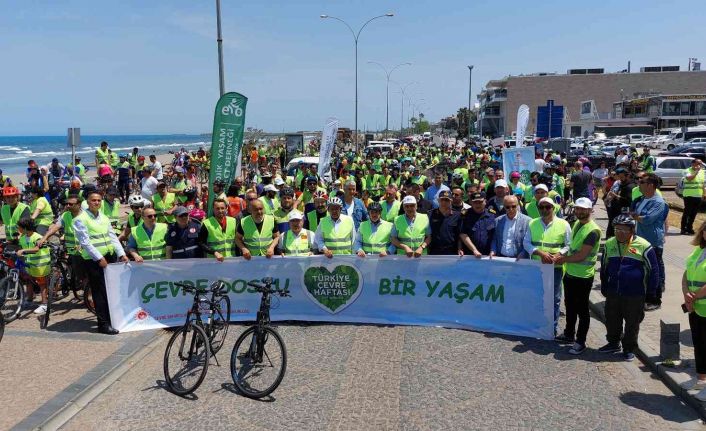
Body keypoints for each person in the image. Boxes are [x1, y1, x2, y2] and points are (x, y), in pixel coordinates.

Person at [599, 214, 658, 361]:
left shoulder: (644, 245)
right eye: (617, 229)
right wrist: (604, 284)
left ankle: (629, 348)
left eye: (624, 230)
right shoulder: (609, 243)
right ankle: (613, 343)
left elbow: (654, 271)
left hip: (635, 293)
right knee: (612, 319)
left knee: (632, 323)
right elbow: (604, 266)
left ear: (632, 230)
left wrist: (651, 293)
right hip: (614, 291)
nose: (620, 233)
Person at [73, 191, 129, 334]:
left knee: (111, 290)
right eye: (93, 200)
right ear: (88, 202)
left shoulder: (103, 217)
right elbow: (85, 242)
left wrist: (121, 253)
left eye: (99, 200)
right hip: (94, 261)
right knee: (99, 292)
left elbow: (112, 237)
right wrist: (99, 258)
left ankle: (113, 319)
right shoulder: (81, 219)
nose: (96, 202)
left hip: (109, 257)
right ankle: (103, 324)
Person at [553, 198, 602, 354]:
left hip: (583, 277)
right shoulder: (577, 224)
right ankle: (569, 334)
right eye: (577, 209)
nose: (579, 211)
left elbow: (582, 255)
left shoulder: (593, 230)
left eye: (583, 209)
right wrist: (560, 254)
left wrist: (563, 259)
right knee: (570, 306)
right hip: (571, 273)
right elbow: (572, 247)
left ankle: (581, 341)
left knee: (582, 310)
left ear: (590, 210)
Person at [524, 196, 571, 336]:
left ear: (553, 208)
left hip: (554, 268)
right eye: (541, 207)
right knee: (537, 296)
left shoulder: (564, 224)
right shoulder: (532, 223)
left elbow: (569, 244)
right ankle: (537, 325)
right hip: (537, 266)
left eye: (547, 207)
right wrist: (539, 252)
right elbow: (526, 243)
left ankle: (552, 328)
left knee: (554, 299)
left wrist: (559, 254)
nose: (544, 209)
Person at [629, 172, 669, 311]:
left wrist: (635, 216)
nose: (638, 183)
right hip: (640, 240)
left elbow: (648, 219)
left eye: (642, 182)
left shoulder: (658, 202)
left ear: (650, 185)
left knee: (654, 271)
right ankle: (644, 296)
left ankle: (655, 299)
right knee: (643, 270)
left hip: (652, 241)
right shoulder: (642, 199)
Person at [681, 222, 706, 399]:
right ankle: (701, 379)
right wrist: (686, 296)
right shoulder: (698, 250)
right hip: (695, 307)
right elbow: (686, 274)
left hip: (700, 304)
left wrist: (694, 296)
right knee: (699, 345)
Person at [16, 218, 51, 314]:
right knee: (28, 281)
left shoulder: (38, 237)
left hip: (40, 265)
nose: (18, 229)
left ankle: (44, 304)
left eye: (19, 227)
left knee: (42, 284)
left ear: (25, 228)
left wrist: (23, 251)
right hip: (30, 264)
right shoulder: (23, 237)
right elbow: (22, 247)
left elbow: (36, 249)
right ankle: (29, 300)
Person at [460, 191, 496, 257]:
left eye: (480, 202)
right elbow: (463, 234)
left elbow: (495, 235)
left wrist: (493, 250)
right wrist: (474, 250)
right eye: (475, 202)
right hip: (470, 254)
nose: (477, 204)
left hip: (489, 254)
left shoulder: (492, 215)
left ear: (485, 201)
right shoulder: (465, 215)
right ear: (471, 202)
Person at [428, 190, 462, 255]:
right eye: (442, 199)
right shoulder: (430, 214)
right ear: (438, 200)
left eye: (447, 200)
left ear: (451, 201)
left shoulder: (457, 215)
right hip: (434, 250)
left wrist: (459, 248)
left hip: (451, 251)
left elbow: (460, 235)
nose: (444, 202)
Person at [681, 159, 705, 235]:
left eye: (701, 164)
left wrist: (704, 194)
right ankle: (683, 229)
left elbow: (703, 184)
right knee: (687, 212)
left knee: (694, 213)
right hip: (689, 195)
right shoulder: (686, 170)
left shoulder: (702, 172)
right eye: (698, 163)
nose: (699, 165)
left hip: (698, 196)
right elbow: (689, 178)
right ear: (692, 163)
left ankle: (689, 228)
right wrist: (696, 171)